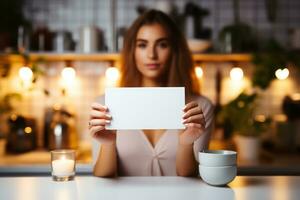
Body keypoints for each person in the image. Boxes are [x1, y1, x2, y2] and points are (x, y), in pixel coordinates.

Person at [89, 10, 214, 177]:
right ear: (132, 51)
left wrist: (185, 144)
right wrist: (108, 144)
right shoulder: (106, 105)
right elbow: (103, 175)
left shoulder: (198, 108)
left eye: (162, 44)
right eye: (142, 45)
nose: (151, 55)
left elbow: (189, 175)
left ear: (175, 50)